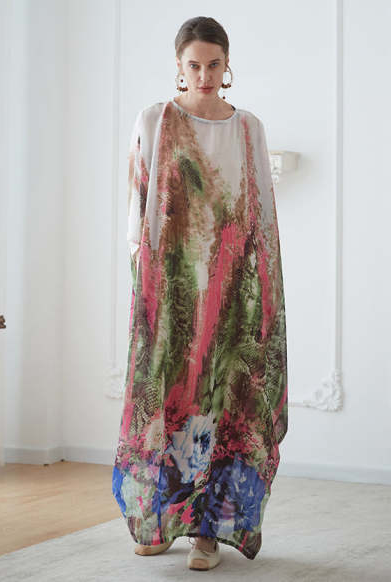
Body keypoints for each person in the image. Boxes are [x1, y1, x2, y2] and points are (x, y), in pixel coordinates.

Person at [112, 16, 288, 572]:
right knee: (166, 400)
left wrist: (264, 289)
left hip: (232, 289)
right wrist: (142, 274)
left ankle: (208, 532)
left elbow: (262, 213)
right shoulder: (154, 119)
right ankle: (161, 520)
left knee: (220, 402)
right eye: (195, 65)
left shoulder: (248, 128)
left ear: (227, 65)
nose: (205, 75)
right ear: (179, 65)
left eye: (214, 65)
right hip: (169, 286)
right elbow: (138, 203)